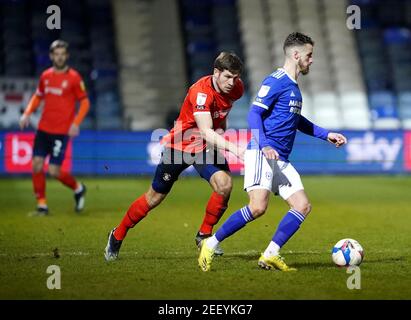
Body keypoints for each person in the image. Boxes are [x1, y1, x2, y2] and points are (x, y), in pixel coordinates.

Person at [198, 32, 348, 272]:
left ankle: (270, 254)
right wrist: (264, 144)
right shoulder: (276, 80)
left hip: (280, 158)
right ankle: (210, 243)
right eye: (309, 55)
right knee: (257, 207)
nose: (312, 60)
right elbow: (253, 114)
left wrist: (326, 134)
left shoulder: (293, 87)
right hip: (262, 153)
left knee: (302, 206)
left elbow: (296, 120)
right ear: (296, 55)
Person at [104, 52, 245, 261]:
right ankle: (117, 235)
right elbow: (206, 130)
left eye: (236, 77)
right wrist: (235, 149)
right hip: (180, 146)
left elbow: (221, 115)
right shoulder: (200, 93)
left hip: (205, 147)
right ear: (215, 73)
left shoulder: (236, 88)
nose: (232, 83)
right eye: (227, 77)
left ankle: (204, 235)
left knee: (224, 186)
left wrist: (222, 132)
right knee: (154, 198)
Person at [19, 40, 90, 215]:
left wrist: (75, 123)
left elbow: (85, 102)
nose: (59, 57)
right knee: (36, 164)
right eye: (56, 54)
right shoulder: (45, 76)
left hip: (61, 132)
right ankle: (42, 205)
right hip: (43, 129)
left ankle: (78, 188)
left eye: (62, 54)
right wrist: (27, 113)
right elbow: (38, 96)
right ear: (51, 56)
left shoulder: (74, 77)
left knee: (54, 171)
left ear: (67, 56)